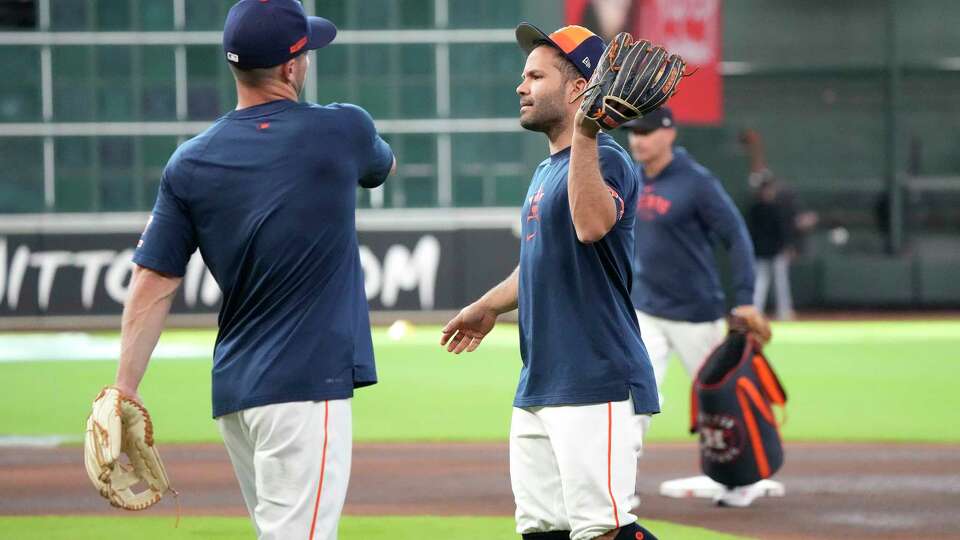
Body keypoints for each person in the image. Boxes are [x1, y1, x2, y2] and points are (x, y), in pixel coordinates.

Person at [111, 1, 395, 538]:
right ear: (291, 67)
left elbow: (154, 279)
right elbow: (383, 166)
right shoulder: (342, 130)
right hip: (305, 384)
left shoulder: (191, 161)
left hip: (236, 392)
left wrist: (126, 387)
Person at [441, 23, 660, 540]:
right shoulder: (548, 170)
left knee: (601, 530)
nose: (522, 86)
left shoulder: (605, 157)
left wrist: (586, 133)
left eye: (536, 76)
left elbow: (590, 226)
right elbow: (539, 261)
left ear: (580, 88)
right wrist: (489, 305)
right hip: (540, 379)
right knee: (542, 529)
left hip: (595, 377)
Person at [624, 109, 777, 507]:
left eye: (645, 131)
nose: (637, 139)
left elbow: (737, 237)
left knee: (723, 398)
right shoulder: (632, 178)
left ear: (669, 133)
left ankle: (743, 478)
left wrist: (745, 299)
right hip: (646, 310)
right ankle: (620, 483)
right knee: (634, 397)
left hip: (697, 313)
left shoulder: (696, 182)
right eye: (633, 132)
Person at [748, 179, 796, 320]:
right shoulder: (755, 209)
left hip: (777, 250)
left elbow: (784, 229)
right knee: (760, 283)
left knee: (781, 282)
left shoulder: (778, 207)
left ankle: (784, 312)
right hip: (762, 250)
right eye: (766, 190)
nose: (768, 193)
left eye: (770, 190)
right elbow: (751, 231)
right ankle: (756, 312)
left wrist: (787, 246)